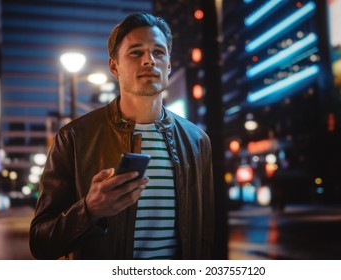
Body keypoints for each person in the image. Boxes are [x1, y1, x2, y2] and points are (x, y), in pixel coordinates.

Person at [29, 12, 214, 260]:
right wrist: (89, 210)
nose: (149, 60)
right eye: (136, 52)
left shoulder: (197, 141)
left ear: (169, 65)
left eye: (158, 52)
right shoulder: (74, 137)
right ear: (114, 66)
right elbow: (41, 243)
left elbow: (204, 237)